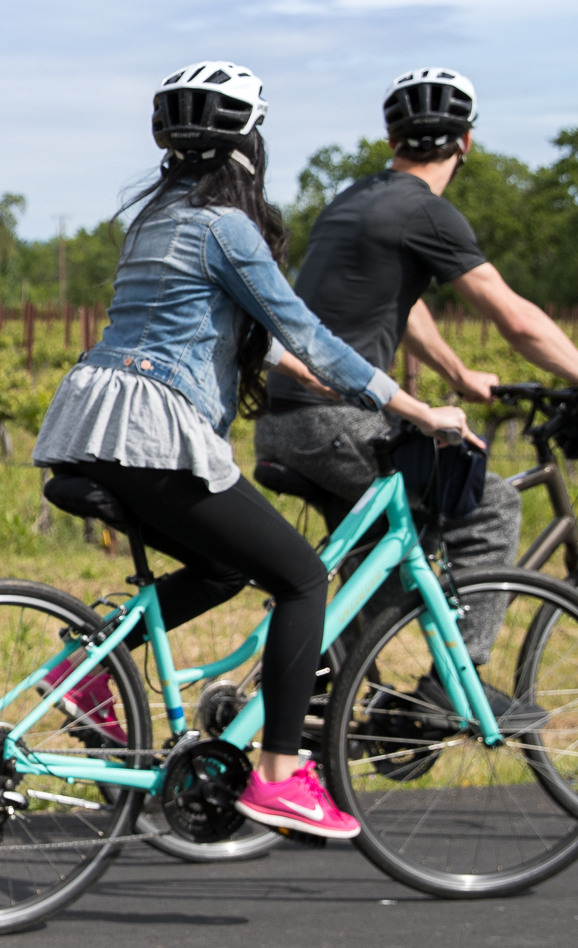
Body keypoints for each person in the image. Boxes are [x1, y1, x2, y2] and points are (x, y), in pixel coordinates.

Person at [34, 62, 471, 841]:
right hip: (156, 433)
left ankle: (85, 669)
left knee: (224, 566)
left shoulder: (156, 219)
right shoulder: (225, 227)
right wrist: (414, 407)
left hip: (86, 424)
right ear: (248, 141)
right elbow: (306, 332)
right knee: (303, 579)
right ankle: (278, 778)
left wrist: (342, 384)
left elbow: (261, 345)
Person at [254, 67, 578, 685]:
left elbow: (394, 305)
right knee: (490, 506)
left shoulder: (356, 200)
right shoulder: (426, 211)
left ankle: (337, 691)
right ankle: (451, 688)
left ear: (393, 141)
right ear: (466, 142)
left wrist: (457, 370)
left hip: (289, 420)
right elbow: (515, 319)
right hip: (335, 419)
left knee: (378, 561)